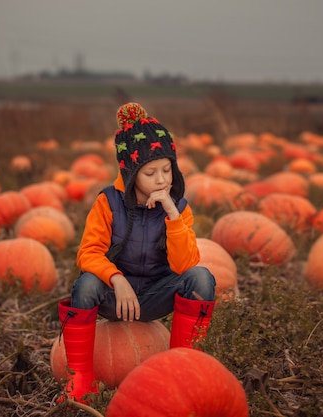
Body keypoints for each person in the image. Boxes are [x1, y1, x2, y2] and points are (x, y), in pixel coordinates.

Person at [57, 102, 216, 404]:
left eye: (167, 170)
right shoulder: (108, 202)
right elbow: (88, 253)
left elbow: (185, 264)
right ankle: (79, 381)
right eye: (150, 173)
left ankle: (183, 371)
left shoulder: (180, 208)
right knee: (86, 283)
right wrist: (116, 278)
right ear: (131, 174)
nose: (161, 180)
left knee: (202, 277)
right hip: (117, 298)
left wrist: (172, 215)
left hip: (156, 295)